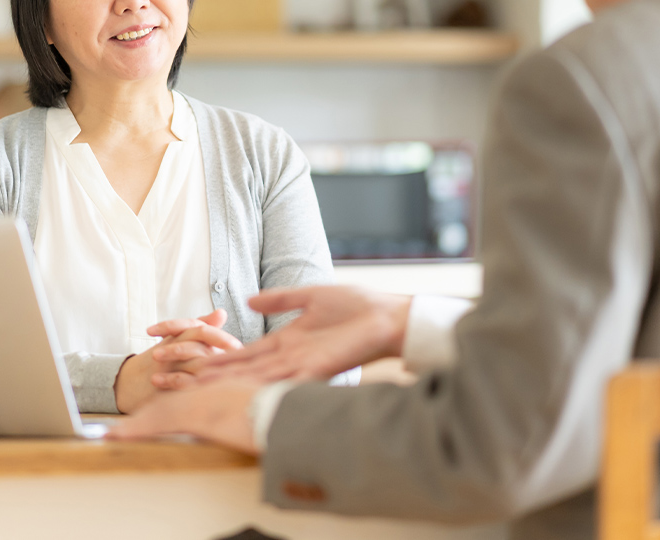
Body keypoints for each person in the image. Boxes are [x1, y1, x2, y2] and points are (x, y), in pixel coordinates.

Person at [109, 0, 660, 537]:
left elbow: (503, 441)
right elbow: (606, 360)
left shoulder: (587, 80)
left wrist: (261, 414)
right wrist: (409, 320)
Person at [0, 0, 354, 414]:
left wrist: (238, 374)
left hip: (229, 475)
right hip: (44, 477)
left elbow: (323, 358)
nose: (133, 3)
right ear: (40, 20)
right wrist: (119, 382)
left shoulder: (264, 154)